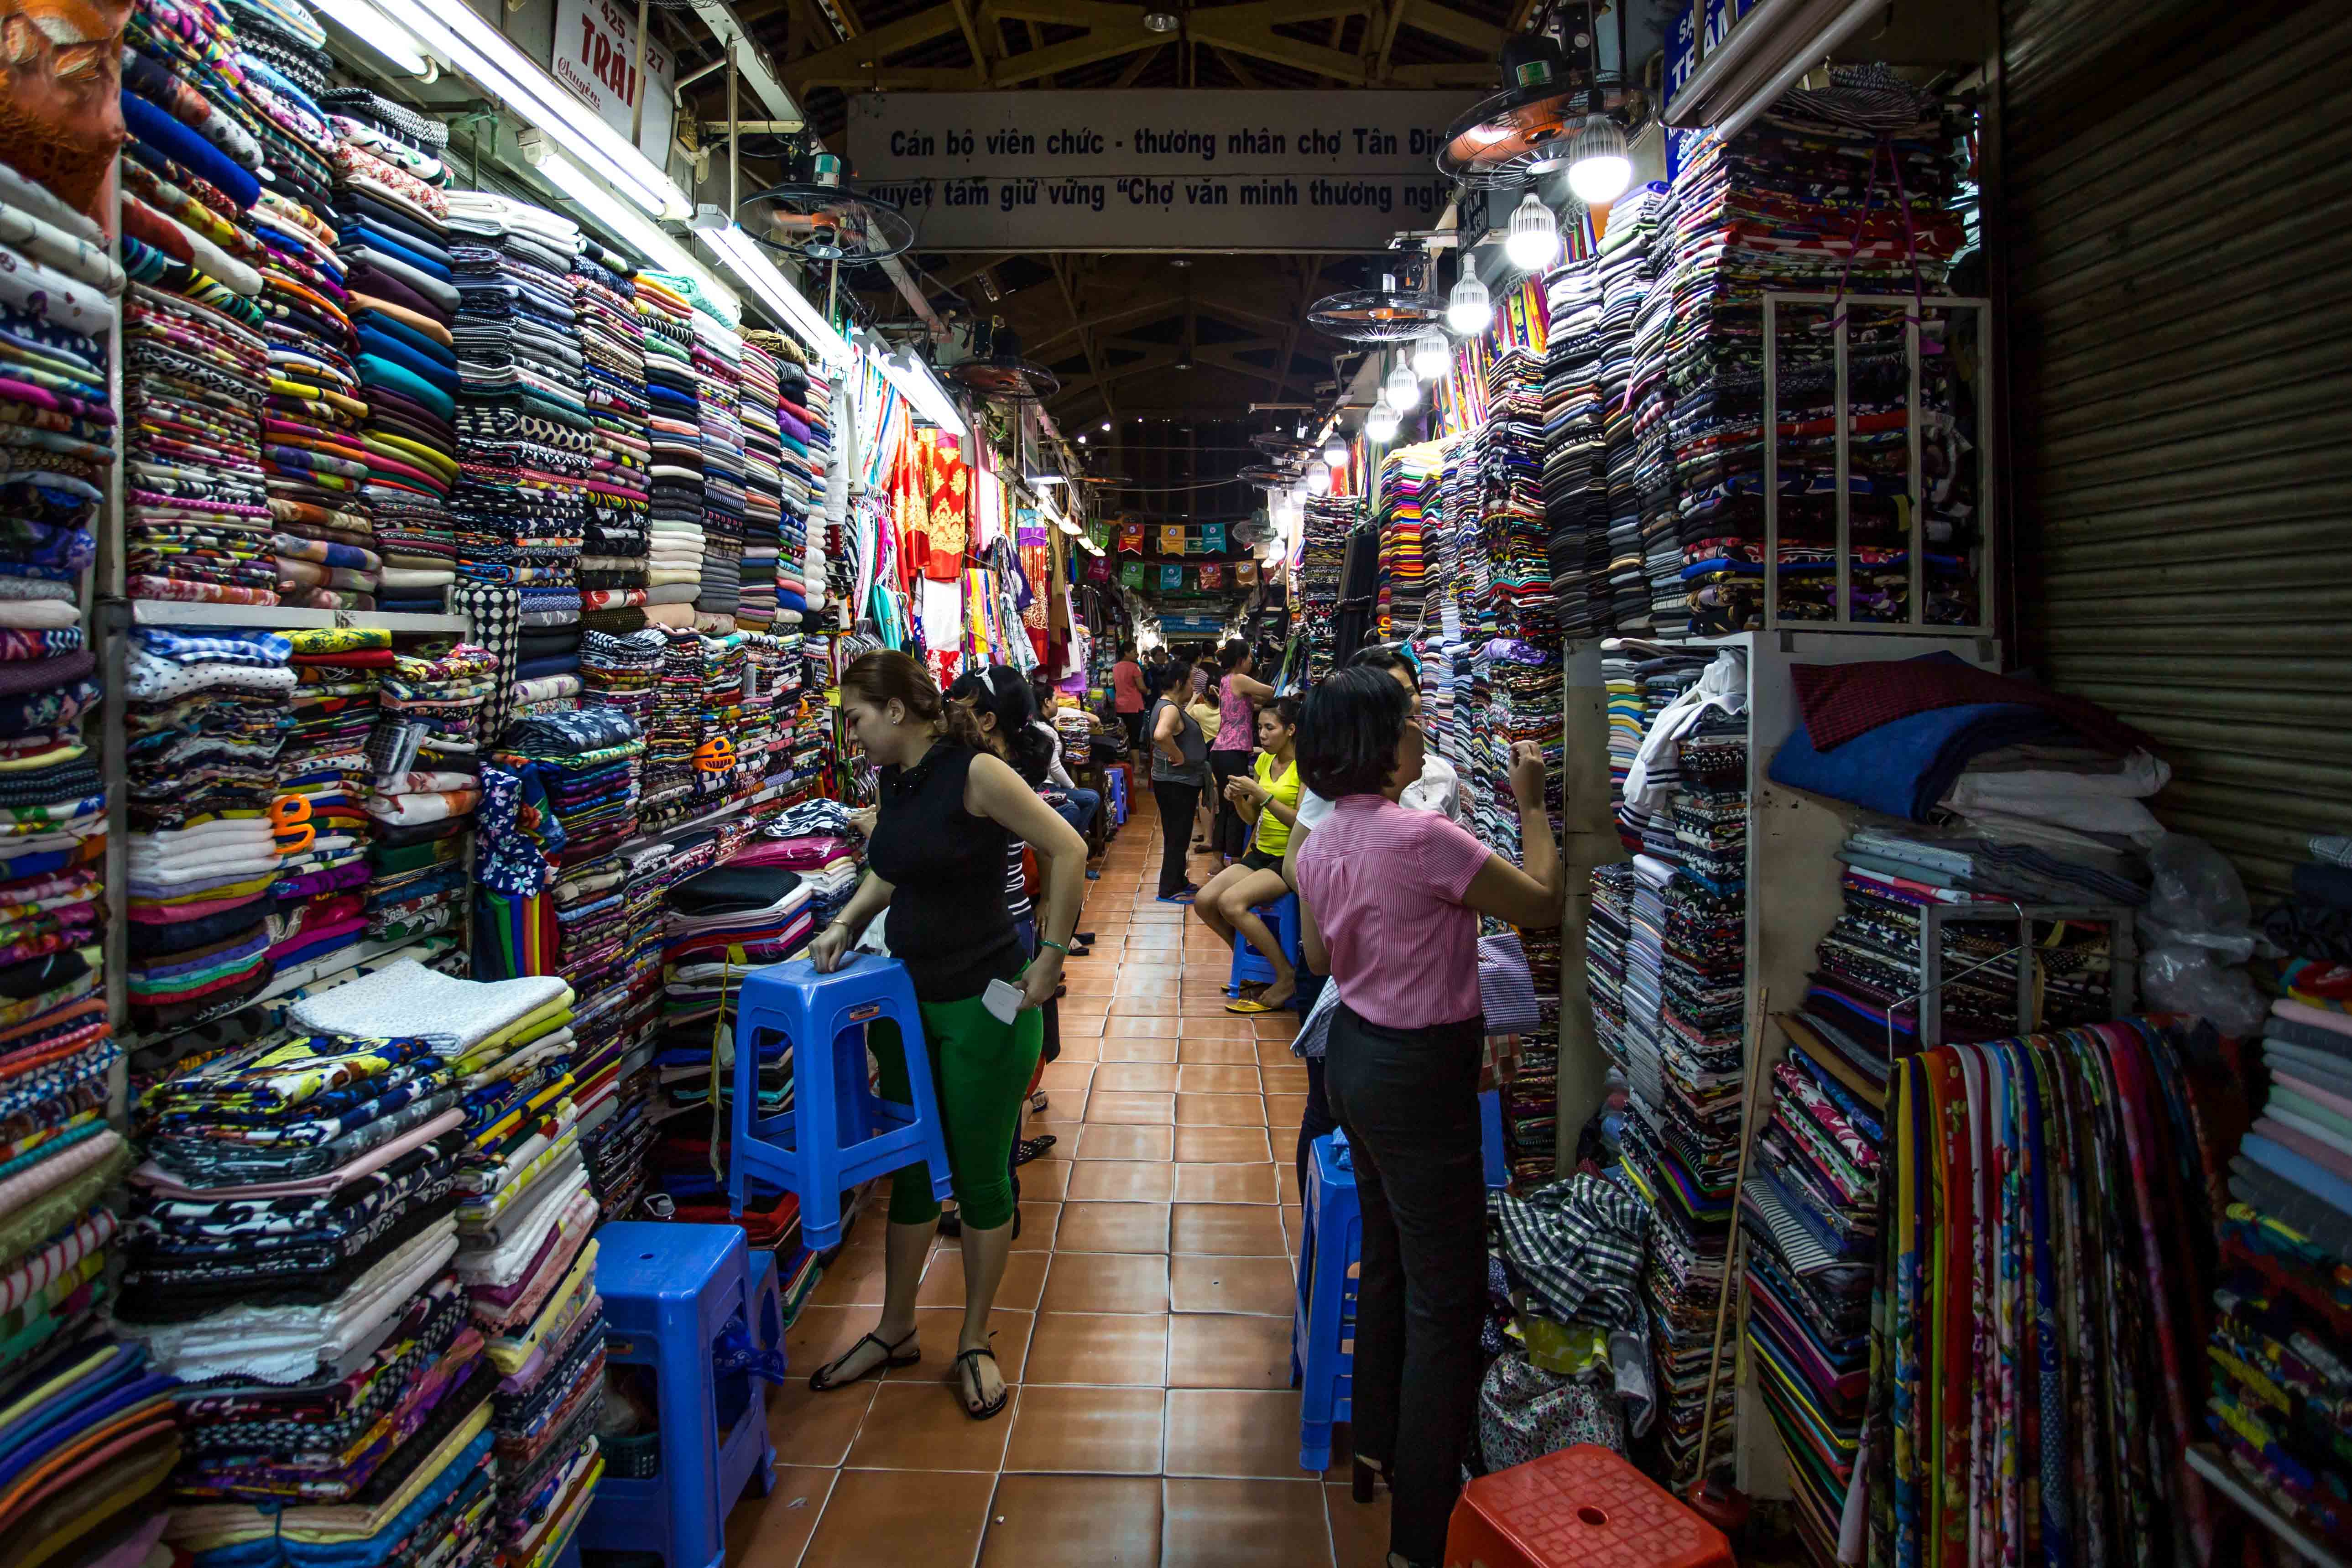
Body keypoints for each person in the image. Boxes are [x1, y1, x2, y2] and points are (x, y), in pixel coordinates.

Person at [1291, 666, 1562, 1568]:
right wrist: (1531, 805)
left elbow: (1320, 951)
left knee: (1392, 1254)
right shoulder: (1425, 837)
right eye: (1407, 721)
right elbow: (1544, 901)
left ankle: (1373, 1442)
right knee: (1449, 1298)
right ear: (1380, 741)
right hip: (1420, 1069)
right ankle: (1417, 1536)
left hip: (1356, 1057)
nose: (1419, 732)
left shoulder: (1320, 841)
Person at [803, 651, 1087, 1421]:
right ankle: (896, 1329)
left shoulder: (977, 772)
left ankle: (973, 1339)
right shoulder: (899, 778)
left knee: (981, 1177)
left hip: (983, 1006)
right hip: (909, 1002)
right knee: (911, 1172)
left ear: (897, 708)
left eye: (856, 716)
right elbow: (894, 868)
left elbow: (1069, 848)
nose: (851, 732)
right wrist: (845, 920)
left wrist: (1051, 958)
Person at [1279, 643, 1460, 1193]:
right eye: (1392, 704)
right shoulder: (1338, 782)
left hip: (1417, 982)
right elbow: (1296, 864)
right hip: (1347, 964)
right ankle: (1321, 1217)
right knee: (1330, 1107)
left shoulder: (1439, 775)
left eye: (1410, 700)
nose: (1408, 716)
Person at [1194, 696, 1304, 1011]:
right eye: (1259, 728)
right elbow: (1251, 818)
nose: (1262, 735)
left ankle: (1285, 974)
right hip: (1260, 852)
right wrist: (1239, 799)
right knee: (1204, 902)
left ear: (1291, 730)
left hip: (1288, 859)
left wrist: (1261, 794)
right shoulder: (1264, 762)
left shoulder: (1304, 769)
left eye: (1270, 727)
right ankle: (1250, 961)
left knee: (1231, 902)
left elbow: (1300, 820)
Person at [1146, 658, 1208, 903]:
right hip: (1176, 783)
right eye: (1192, 681)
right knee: (1177, 834)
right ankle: (1168, 889)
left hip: (1177, 782)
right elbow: (1162, 735)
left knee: (1179, 833)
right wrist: (1178, 754)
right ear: (1180, 683)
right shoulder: (1169, 709)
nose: (1194, 686)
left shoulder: (1169, 705)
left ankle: (1179, 879)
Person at [1208, 640, 1275, 861]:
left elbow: (1244, 707)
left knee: (1226, 806)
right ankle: (1236, 860)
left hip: (1221, 750)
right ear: (1240, 660)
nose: (1251, 662)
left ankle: (1218, 861)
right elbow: (1271, 692)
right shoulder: (1240, 678)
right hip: (1233, 750)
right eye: (1249, 658)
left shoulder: (1226, 680)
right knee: (1238, 806)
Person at [1111, 641, 1145, 750]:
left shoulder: (1115, 667)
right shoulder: (1135, 667)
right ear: (1126, 653)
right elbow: (1141, 687)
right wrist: (1149, 691)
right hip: (1134, 707)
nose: (1137, 654)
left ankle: (1129, 762)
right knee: (1134, 738)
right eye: (1134, 652)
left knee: (1124, 737)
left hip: (1121, 706)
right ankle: (1137, 766)